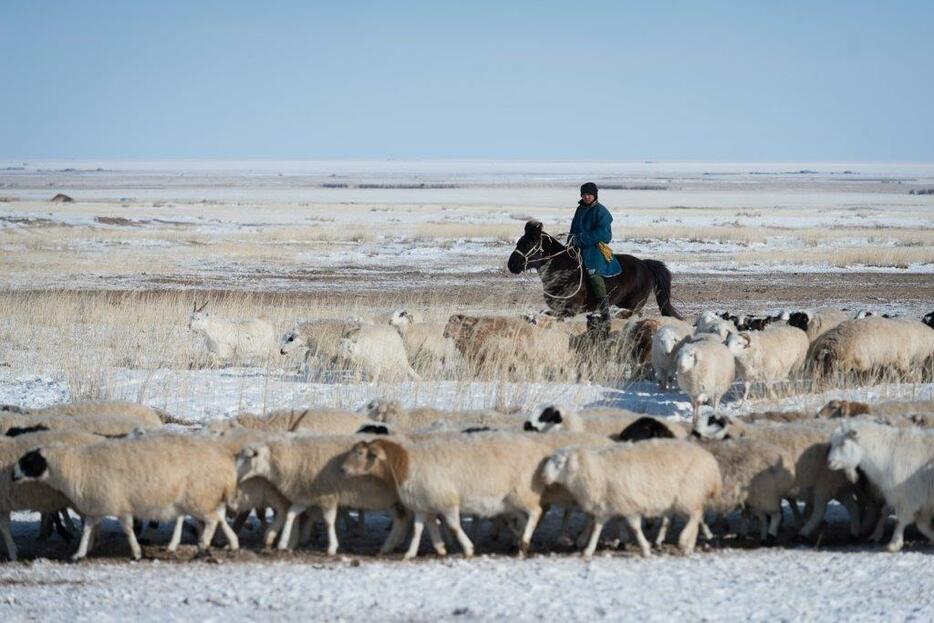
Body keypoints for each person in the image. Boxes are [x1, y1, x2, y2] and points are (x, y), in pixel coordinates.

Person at [568, 182, 621, 322]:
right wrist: (570, 239)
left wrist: (580, 240)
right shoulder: (580, 209)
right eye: (584, 194)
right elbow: (574, 228)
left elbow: (603, 234)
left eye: (589, 194)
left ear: (595, 195)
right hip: (578, 246)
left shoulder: (601, 211)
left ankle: (604, 309)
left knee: (593, 272)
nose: (586, 197)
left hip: (595, 248)